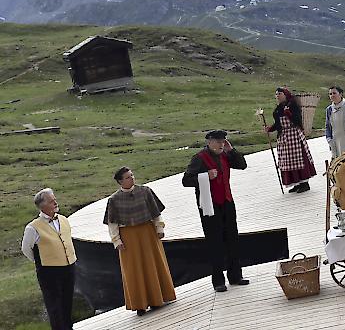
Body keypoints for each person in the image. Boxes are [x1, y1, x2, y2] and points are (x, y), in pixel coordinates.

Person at [182, 130, 250, 292]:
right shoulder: (199, 159)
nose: (221, 144)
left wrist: (231, 150)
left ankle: (235, 276)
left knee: (232, 239)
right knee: (215, 242)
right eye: (218, 141)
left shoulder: (226, 155)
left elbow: (242, 165)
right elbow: (186, 181)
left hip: (227, 202)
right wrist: (205, 176)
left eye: (223, 141)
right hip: (209, 206)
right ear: (209, 142)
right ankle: (218, 280)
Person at [103, 168, 176, 315]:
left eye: (132, 176)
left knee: (153, 264)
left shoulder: (145, 191)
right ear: (120, 181)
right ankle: (140, 305)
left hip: (148, 233)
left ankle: (158, 299)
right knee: (133, 270)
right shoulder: (114, 200)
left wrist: (159, 228)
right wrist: (116, 240)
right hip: (128, 237)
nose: (132, 178)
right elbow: (112, 224)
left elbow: (156, 213)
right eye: (128, 177)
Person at [21, 188, 76, 330]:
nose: (55, 202)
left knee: (67, 302)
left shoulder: (63, 219)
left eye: (54, 199)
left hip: (69, 267)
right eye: (51, 201)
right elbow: (26, 249)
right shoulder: (33, 228)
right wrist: (42, 261)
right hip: (49, 272)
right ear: (42, 206)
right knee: (55, 306)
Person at [266, 87, 317, 192]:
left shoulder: (292, 105)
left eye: (279, 93)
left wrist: (289, 114)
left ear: (285, 95)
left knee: (299, 158)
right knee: (288, 161)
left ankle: (304, 183)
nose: (277, 96)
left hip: (294, 135)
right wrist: (271, 128)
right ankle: (296, 182)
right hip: (284, 137)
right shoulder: (278, 109)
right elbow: (278, 124)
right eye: (276, 94)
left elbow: (298, 120)